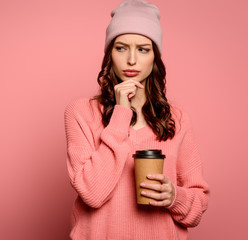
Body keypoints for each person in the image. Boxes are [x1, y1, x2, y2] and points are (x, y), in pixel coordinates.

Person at [63, 0, 210, 239]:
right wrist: (121, 113)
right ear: (109, 54)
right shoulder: (81, 112)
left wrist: (174, 198)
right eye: (121, 48)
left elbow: (197, 205)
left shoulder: (177, 118)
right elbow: (92, 193)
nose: (132, 60)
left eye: (143, 49)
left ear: (155, 57)